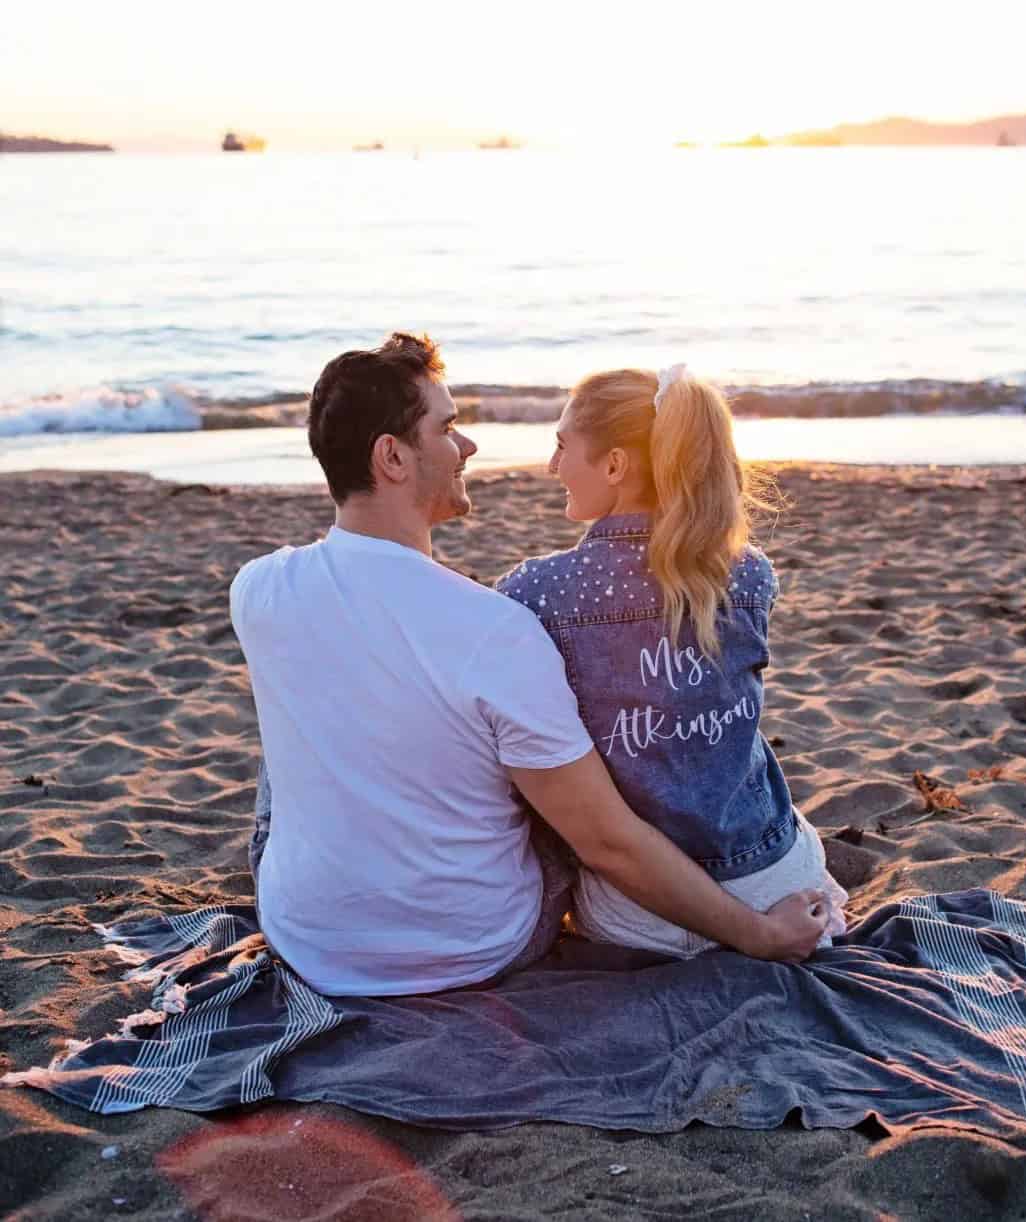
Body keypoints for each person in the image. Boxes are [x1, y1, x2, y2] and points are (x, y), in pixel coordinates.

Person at [231, 334, 827, 998]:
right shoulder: (496, 628)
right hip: (481, 946)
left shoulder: (256, 590)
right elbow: (605, 842)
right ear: (393, 456)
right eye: (448, 428)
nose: (469, 446)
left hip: (306, 939)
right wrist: (759, 935)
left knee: (294, 740)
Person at [496, 364, 848, 958]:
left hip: (641, 911)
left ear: (614, 466)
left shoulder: (536, 593)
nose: (552, 466)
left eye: (561, 446)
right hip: (773, 883)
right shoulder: (748, 572)